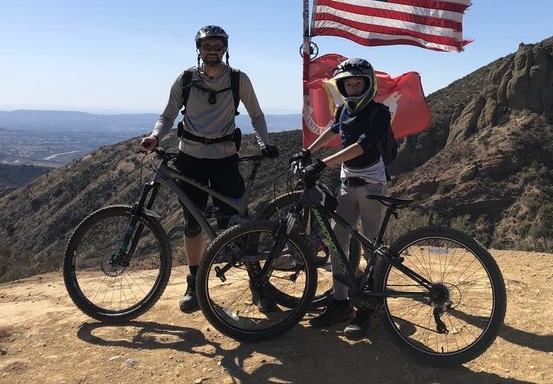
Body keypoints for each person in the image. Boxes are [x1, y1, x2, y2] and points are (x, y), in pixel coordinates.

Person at [139, 25, 279, 313]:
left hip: (225, 158)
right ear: (199, 49)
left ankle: (257, 283)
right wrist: (155, 136)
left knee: (239, 224)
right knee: (192, 224)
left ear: (225, 48)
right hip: (189, 159)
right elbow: (167, 114)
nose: (212, 51)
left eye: (218, 46)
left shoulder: (239, 79)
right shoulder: (186, 79)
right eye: (207, 46)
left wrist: (264, 143)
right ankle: (193, 283)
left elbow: (257, 115)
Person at [291, 58, 391, 339]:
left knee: (373, 247)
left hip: (372, 186)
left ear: (368, 85)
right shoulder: (343, 110)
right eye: (348, 84)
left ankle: (372, 309)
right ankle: (340, 302)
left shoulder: (379, 113)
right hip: (347, 184)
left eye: (359, 83)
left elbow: (361, 146)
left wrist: (323, 164)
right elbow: (332, 130)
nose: (354, 88)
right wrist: (308, 151)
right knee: (337, 241)